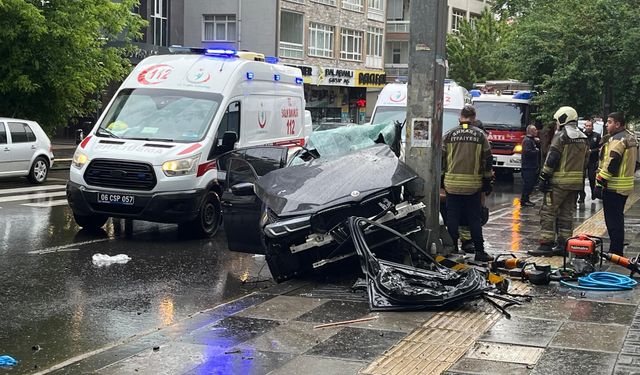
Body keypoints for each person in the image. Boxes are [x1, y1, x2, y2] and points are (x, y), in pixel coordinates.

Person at [529, 106, 589, 256]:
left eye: (557, 120)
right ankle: (564, 244)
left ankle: (546, 244)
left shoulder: (561, 136)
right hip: (575, 184)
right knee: (567, 214)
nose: (556, 123)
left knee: (548, 212)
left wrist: (544, 177)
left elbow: (552, 158)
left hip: (558, 183)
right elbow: (586, 161)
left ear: (563, 119)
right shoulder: (583, 138)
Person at [442, 105, 494, 262]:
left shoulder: (449, 135)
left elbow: (441, 159)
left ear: (461, 116)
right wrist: (487, 181)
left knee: (452, 218)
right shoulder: (480, 136)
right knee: (474, 219)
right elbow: (488, 160)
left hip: (451, 185)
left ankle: (452, 250)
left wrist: (442, 179)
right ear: (474, 117)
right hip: (473, 186)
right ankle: (480, 251)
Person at [594, 112, 638, 256]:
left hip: (613, 187)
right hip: (624, 186)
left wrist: (600, 182)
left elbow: (612, 163)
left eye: (610, 122)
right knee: (618, 218)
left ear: (618, 124)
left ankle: (615, 251)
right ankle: (616, 248)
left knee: (613, 221)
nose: (607, 124)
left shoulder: (617, 140)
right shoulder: (631, 137)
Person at [578, 118, 602, 202]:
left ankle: (593, 192)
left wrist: (592, 151)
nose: (588, 127)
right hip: (583, 160)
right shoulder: (582, 136)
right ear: (585, 126)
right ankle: (582, 196)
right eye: (587, 126)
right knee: (581, 179)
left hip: (592, 160)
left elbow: (600, 147)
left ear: (592, 127)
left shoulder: (597, 136)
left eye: (590, 126)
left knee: (592, 178)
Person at [520, 125, 540, 206]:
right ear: (530, 131)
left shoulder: (532, 140)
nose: (537, 131)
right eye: (535, 130)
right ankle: (524, 200)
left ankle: (526, 199)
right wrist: (536, 151)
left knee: (531, 184)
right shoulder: (527, 141)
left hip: (532, 166)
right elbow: (527, 152)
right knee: (528, 184)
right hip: (527, 167)